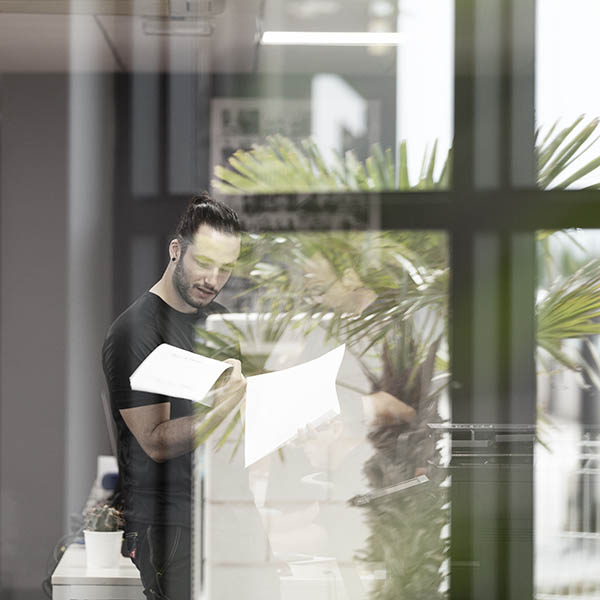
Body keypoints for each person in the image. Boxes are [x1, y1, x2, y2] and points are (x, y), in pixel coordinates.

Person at [102, 193, 245, 600]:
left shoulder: (219, 323)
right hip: (169, 525)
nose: (213, 280)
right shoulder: (136, 331)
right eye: (205, 262)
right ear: (176, 250)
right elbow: (156, 441)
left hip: (225, 512)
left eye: (225, 268)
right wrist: (224, 409)